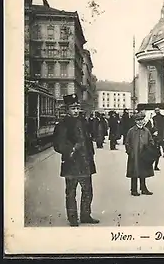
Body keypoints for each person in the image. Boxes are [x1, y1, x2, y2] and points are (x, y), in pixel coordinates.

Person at [53, 94, 99, 227]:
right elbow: (58, 144)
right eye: (73, 108)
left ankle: (85, 215)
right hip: (71, 163)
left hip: (85, 163)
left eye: (77, 107)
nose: (76, 110)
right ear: (67, 109)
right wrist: (71, 150)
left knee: (88, 190)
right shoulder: (62, 124)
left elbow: (87, 140)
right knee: (71, 191)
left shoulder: (83, 121)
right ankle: (72, 217)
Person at [125, 112, 155, 196]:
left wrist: (149, 148)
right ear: (135, 121)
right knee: (134, 172)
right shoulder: (131, 131)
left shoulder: (146, 131)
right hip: (134, 155)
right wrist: (130, 152)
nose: (140, 122)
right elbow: (127, 142)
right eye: (138, 120)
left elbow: (151, 140)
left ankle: (143, 188)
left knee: (143, 172)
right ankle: (133, 189)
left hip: (144, 155)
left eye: (141, 120)